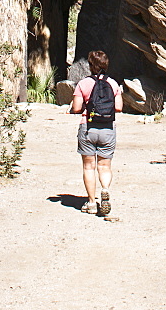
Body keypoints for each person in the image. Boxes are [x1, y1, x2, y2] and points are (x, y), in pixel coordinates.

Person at [71, 50, 123, 215]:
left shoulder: (83, 84)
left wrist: (73, 110)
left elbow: (77, 108)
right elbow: (119, 107)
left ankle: (92, 202)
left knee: (88, 166)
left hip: (88, 128)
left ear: (90, 66)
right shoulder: (113, 84)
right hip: (108, 128)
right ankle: (105, 189)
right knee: (104, 166)